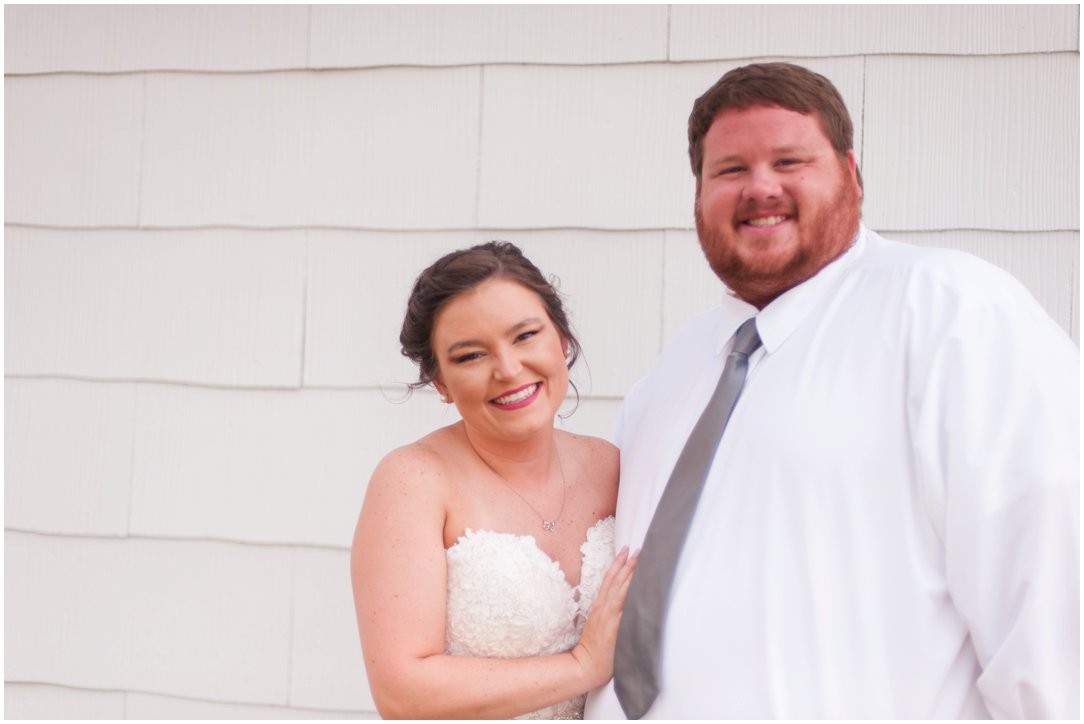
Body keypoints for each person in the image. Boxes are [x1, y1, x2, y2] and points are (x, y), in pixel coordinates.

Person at [586, 62, 1079, 719]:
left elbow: (1047, 581)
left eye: (791, 161)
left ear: (852, 176)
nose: (760, 188)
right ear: (698, 198)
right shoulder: (673, 371)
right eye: (730, 170)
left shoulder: (949, 311)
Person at [351, 241, 637, 719]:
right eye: (470, 356)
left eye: (525, 336)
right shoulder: (413, 481)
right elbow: (401, 692)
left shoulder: (613, 466)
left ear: (561, 340)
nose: (508, 370)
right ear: (440, 382)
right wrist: (582, 666)